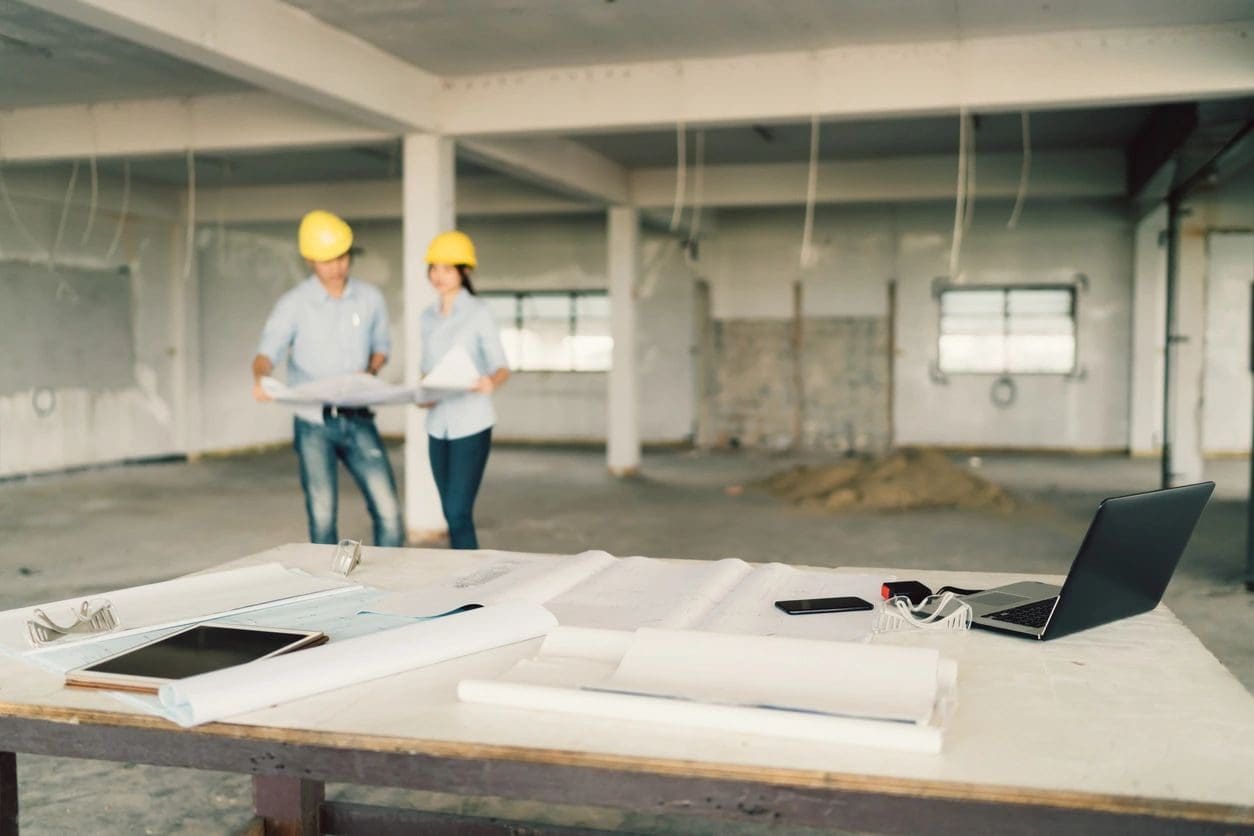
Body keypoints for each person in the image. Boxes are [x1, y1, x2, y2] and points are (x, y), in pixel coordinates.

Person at [251, 210, 404, 547]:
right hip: (313, 425)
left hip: (359, 419)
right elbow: (266, 354)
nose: (336, 267)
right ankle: (328, 591)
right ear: (310, 260)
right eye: (327, 260)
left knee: (390, 513)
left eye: (342, 257)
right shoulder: (293, 304)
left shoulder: (370, 299)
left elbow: (381, 347)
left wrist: (371, 370)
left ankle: (391, 591)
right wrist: (262, 379)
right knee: (322, 517)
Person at [420, 230, 510, 549]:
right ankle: (461, 581)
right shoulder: (426, 318)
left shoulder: (479, 313)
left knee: (458, 512)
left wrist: (490, 381)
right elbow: (426, 370)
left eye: (447, 269)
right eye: (434, 268)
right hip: (437, 424)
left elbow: (502, 366)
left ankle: (473, 591)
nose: (438, 276)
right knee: (450, 512)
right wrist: (423, 393)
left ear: (464, 271)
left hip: (471, 423)